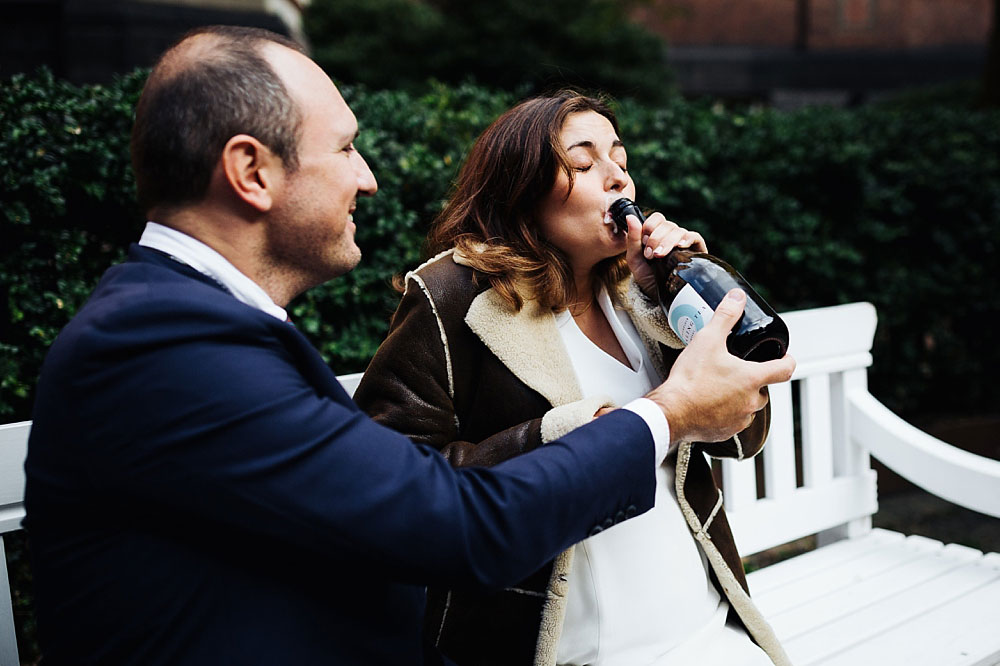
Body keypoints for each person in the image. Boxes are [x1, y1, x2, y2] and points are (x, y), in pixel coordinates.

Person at [23, 26, 794, 666]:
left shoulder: (203, 326)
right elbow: (451, 521)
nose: (369, 180)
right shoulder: (167, 348)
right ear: (251, 171)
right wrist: (663, 414)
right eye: (347, 149)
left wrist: (683, 311)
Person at [354, 92, 793, 666]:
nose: (617, 179)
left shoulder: (642, 293)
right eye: (583, 165)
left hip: (706, 626)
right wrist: (573, 433)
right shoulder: (453, 296)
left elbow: (742, 436)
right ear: (521, 188)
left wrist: (684, 306)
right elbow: (390, 482)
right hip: (568, 649)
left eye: (621, 161)